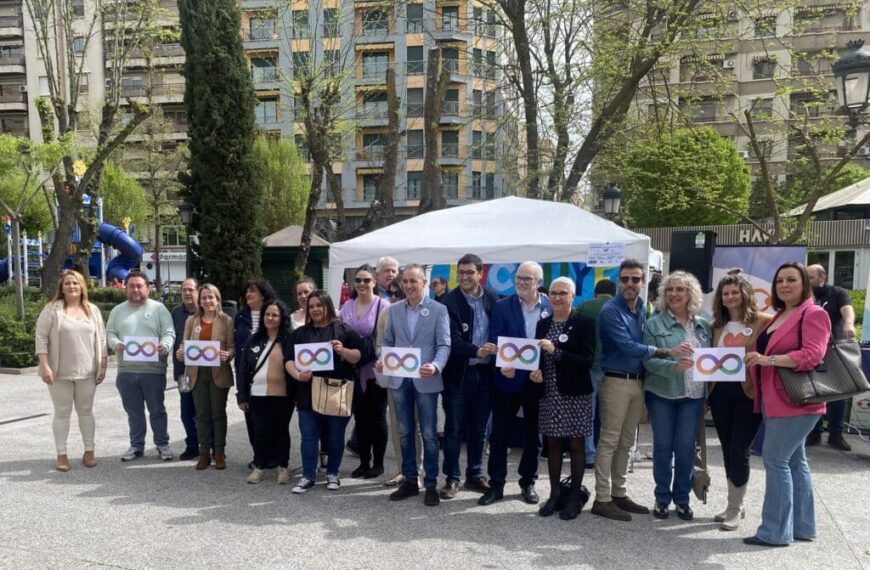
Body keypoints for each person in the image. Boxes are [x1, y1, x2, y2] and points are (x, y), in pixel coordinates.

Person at [743, 262, 830, 547]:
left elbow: (812, 356)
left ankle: (774, 531)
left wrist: (768, 360)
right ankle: (803, 527)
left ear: (805, 283)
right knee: (794, 461)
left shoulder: (814, 313)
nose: (784, 285)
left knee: (776, 460)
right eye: (780, 280)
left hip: (796, 401)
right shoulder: (780, 314)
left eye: (791, 280)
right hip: (775, 398)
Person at [592, 259, 686, 521]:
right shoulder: (611, 310)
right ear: (618, 281)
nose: (630, 284)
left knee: (627, 442)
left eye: (635, 279)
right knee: (609, 440)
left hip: (637, 382)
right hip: (615, 381)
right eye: (625, 279)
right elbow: (627, 346)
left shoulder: (641, 308)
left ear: (644, 282)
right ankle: (602, 498)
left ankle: (619, 493)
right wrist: (666, 351)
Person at [376, 264, 451, 506]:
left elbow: (444, 345)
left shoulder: (438, 309)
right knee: (405, 433)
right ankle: (410, 480)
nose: (408, 286)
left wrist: (436, 366)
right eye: (404, 282)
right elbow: (388, 340)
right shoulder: (395, 310)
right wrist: (382, 361)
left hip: (425, 379)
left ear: (424, 283)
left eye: (413, 281)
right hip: (399, 380)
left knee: (428, 434)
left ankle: (430, 483)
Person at [479, 261, 551, 507]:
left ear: (538, 283)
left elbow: (553, 344)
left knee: (533, 436)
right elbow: (495, 338)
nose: (521, 282)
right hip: (506, 379)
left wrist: (542, 369)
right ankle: (496, 484)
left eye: (527, 279)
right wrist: (502, 364)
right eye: (519, 278)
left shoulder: (550, 306)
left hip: (536, 380)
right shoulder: (502, 306)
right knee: (499, 434)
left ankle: (527, 482)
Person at [643, 271, 711, 521]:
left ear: (690, 293)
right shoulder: (654, 324)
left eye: (680, 289)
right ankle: (662, 497)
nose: (674, 294)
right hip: (662, 394)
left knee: (684, 449)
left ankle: (681, 499)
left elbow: (711, 362)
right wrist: (673, 366)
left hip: (693, 397)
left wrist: (707, 397)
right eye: (669, 289)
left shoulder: (704, 323)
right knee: (663, 448)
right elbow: (648, 361)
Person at [709, 269, 771, 531]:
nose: (730, 296)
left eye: (735, 292)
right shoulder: (716, 326)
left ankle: (735, 508)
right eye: (725, 293)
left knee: (739, 450)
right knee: (726, 448)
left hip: (748, 393)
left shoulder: (764, 322)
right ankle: (734, 503)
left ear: (745, 294)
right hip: (720, 393)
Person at [287, 290, 362, 493]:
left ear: (328, 306)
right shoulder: (299, 334)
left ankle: (333, 473)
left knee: (336, 436)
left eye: (319, 305)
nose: (315, 309)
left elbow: (359, 356)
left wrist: (342, 351)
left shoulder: (344, 330)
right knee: (309, 437)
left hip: (335, 393)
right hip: (306, 393)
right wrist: (297, 375)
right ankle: (308, 476)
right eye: (311, 306)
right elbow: (289, 361)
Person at [534, 277, 595, 520]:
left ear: (573, 296)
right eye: (553, 293)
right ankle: (554, 494)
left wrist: (556, 352)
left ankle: (573, 499)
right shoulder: (543, 324)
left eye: (563, 293)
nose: (557, 297)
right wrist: (536, 372)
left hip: (575, 394)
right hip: (549, 393)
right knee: (553, 445)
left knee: (577, 445)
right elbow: (538, 357)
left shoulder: (584, 323)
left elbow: (586, 361)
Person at [35, 270, 108, 472]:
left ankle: (89, 451)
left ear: (82, 285)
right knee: (62, 413)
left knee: (86, 412)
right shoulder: (52, 310)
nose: (71, 287)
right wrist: (44, 365)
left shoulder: (92, 310)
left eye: (75, 283)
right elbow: (41, 338)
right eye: (67, 283)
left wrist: (103, 364)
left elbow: (102, 339)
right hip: (59, 373)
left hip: (87, 372)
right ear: (62, 287)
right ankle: (62, 454)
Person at [439, 253, 497, 499]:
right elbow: (450, 341)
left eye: (469, 272)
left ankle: (475, 474)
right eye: (460, 272)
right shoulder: (447, 302)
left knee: (480, 429)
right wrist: (477, 350)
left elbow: (501, 331)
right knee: (454, 429)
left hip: (486, 374)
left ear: (480, 273)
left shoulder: (494, 298)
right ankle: (452, 478)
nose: (464, 277)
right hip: (458, 376)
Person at [106, 270, 175, 462]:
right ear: (126, 288)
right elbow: (109, 333)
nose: (135, 290)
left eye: (139, 286)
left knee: (157, 410)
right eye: (131, 286)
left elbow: (169, 332)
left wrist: (165, 345)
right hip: (126, 371)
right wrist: (115, 344)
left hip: (153, 370)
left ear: (148, 288)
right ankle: (137, 446)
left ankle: (162, 444)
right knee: (134, 412)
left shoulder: (159, 309)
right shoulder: (118, 311)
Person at [175, 284, 235, 470]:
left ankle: (219, 452)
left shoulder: (226, 320)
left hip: (218, 372)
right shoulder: (192, 321)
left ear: (217, 299)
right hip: (196, 372)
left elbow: (232, 345)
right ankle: (204, 453)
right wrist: (181, 353)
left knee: (218, 414)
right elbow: (185, 344)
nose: (207, 301)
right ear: (199, 301)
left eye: (211, 297)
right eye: (204, 298)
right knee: (201, 415)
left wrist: (229, 354)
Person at [237, 300, 295, 485]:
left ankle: (283, 467)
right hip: (258, 395)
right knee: (260, 432)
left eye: (275, 315)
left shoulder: (289, 339)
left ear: (282, 318)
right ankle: (259, 466)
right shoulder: (254, 339)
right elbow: (243, 370)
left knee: (281, 432)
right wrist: (242, 396)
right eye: (267, 314)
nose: (270, 318)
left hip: (283, 395)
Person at [340, 264, 390, 479]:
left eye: (366, 280)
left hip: (375, 371)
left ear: (374, 282)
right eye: (358, 280)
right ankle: (363, 461)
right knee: (360, 419)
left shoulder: (384, 306)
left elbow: (389, 339)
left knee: (377, 418)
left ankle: (378, 463)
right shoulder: (346, 307)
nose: (362, 284)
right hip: (353, 371)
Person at [806, 264, 854, 452]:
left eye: (810, 277)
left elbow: (847, 310)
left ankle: (836, 434)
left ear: (822, 277)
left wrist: (849, 323)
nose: (807, 281)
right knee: (814, 392)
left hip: (834, 349)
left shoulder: (837, 292)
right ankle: (814, 433)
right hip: (812, 350)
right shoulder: (804, 295)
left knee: (838, 394)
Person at [234, 278, 277, 469]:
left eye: (253, 291)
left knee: (272, 419)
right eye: (247, 291)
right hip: (247, 374)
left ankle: (274, 456)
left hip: (272, 374)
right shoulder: (240, 316)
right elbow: (236, 345)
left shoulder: (274, 313)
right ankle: (259, 457)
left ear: (263, 294)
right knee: (251, 418)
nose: (248, 294)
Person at [577, 278, 616, 467]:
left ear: (595, 292)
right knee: (611, 416)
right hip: (613, 369)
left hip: (590, 366)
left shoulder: (585, 306)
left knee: (588, 415)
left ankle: (589, 455)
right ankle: (607, 455)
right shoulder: (619, 307)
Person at [171, 277, 200, 461]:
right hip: (184, 373)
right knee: (186, 411)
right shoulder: (175, 313)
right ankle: (192, 445)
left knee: (206, 411)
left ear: (198, 291)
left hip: (206, 373)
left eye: (191, 289)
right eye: (184, 290)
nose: (187, 293)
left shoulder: (207, 311)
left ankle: (212, 446)